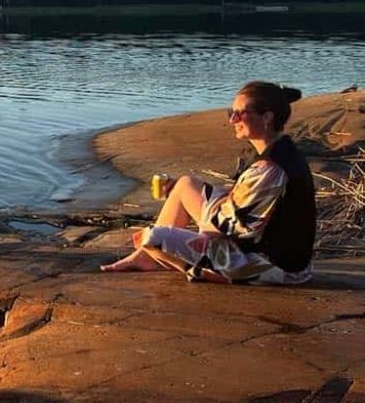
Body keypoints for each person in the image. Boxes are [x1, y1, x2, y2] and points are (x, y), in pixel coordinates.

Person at [101, 81, 316, 285]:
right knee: (185, 185)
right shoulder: (281, 151)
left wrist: (189, 238)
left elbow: (228, 228)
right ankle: (145, 258)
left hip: (271, 266)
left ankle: (195, 268)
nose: (233, 120)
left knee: (155, 238)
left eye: (239, 114)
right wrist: (185, 197)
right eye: (230, 113)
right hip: (270, 251)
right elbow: (241, 206)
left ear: (267, 117)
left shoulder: (269, 168)